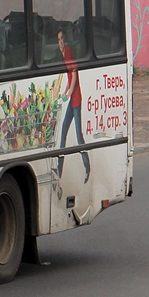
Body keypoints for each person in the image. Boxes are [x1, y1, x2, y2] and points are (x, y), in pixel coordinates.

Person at [56, 27, 90, 183]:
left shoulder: (69, 54)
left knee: (78, 135)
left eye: (62, 39)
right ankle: (59, 168)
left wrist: (69, 93)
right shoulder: (63, 56)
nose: (60, 42)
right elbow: (69, 79)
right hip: (71, 98)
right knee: (63, 130)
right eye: (58, 40)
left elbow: (74, 76)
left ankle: (87, 168)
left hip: (76, 100)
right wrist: (65, 92)